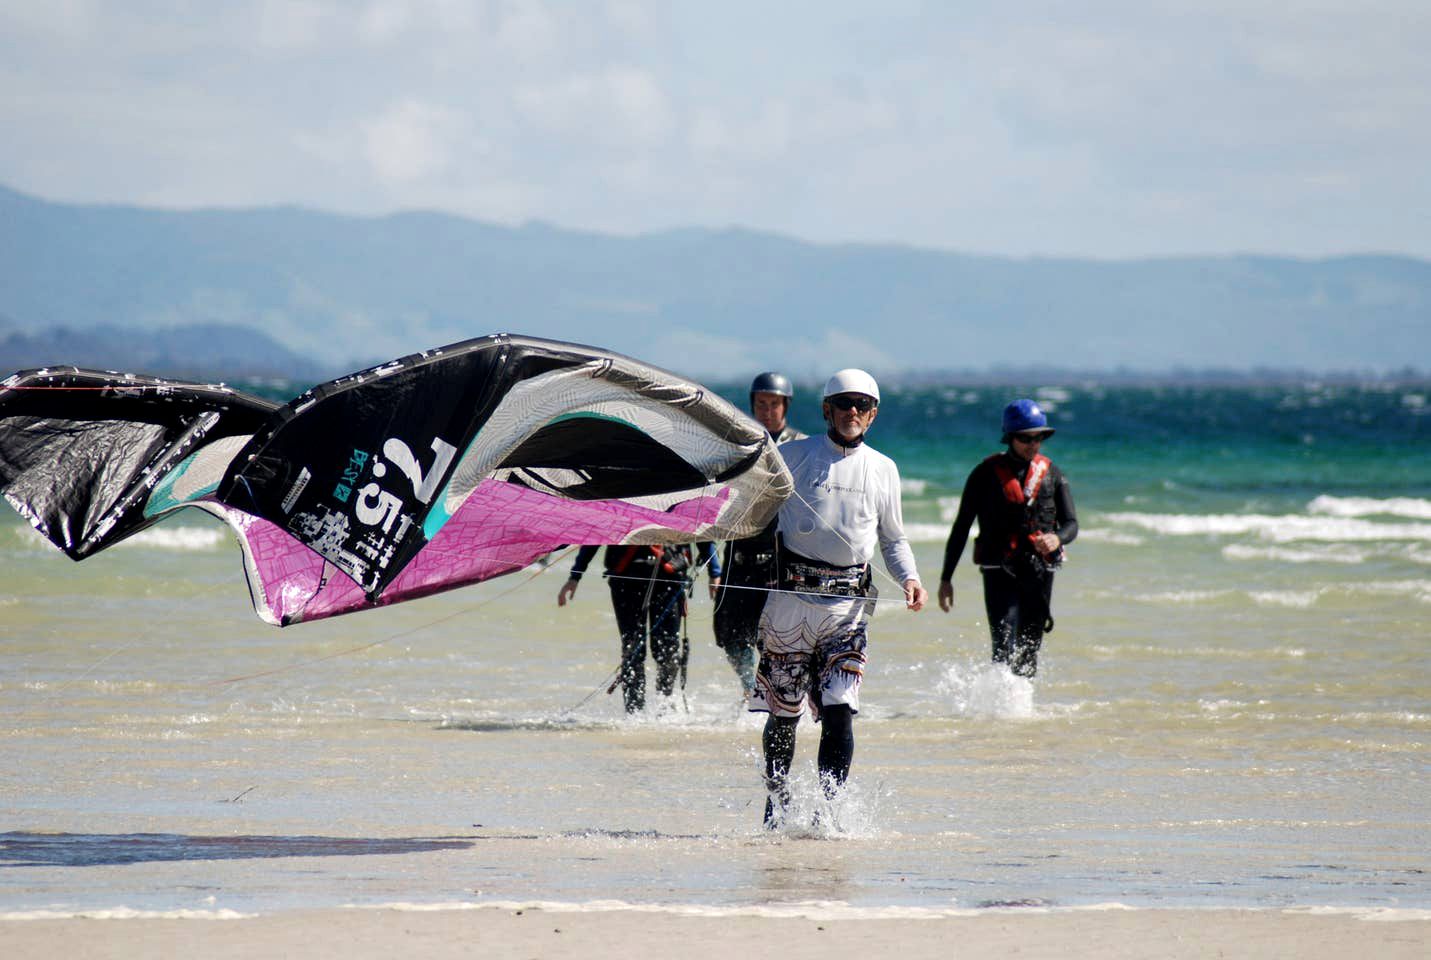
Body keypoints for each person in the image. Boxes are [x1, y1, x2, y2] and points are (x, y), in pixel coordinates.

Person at [751, 368, 926, 826]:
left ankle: (827, 814)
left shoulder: (884, 468)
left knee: (840, 711)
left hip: (847, 609)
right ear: (826, 409)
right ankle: (776, 807)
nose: (853, 412)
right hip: (789, 604)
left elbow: (893, 539)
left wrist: (909, 578)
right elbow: (746, 514)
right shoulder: (791, 456)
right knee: (783, 714)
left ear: (874, 415)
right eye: (844, 403)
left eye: (862, 405)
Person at [937, 398, 1078, 678]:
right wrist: (946, 579)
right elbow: (961, 527)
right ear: (1010, 437)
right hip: (997, 569)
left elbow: (1072, 524)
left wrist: (1057, 539)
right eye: (1026, 438)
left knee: (1030, 646)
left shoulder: (1053, 474)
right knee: (1002, 645)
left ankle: (1020, 715)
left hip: (1039, 571)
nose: (1033, 444)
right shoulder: (983, 475)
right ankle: (999, 710)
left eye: (1039, 438)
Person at [712, 372, 806, 696]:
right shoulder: (740, 444)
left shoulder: (800, 446)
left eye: (775, 405)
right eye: (762, 404)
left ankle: (769, 695)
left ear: (785, 406)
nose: (768, 411)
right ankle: (750, 686)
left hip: (779, 553)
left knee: (773, 633)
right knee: (727, 631)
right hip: (739, 550)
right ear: (753, 405)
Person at [558, 543, 722, 713]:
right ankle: (634, 712)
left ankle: (664, 708)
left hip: (670, 578)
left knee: (667, 649)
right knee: (632, 648)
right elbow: (597, 529)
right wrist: (575, 576)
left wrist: (715, 572)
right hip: (625, 578)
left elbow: (702, 533)